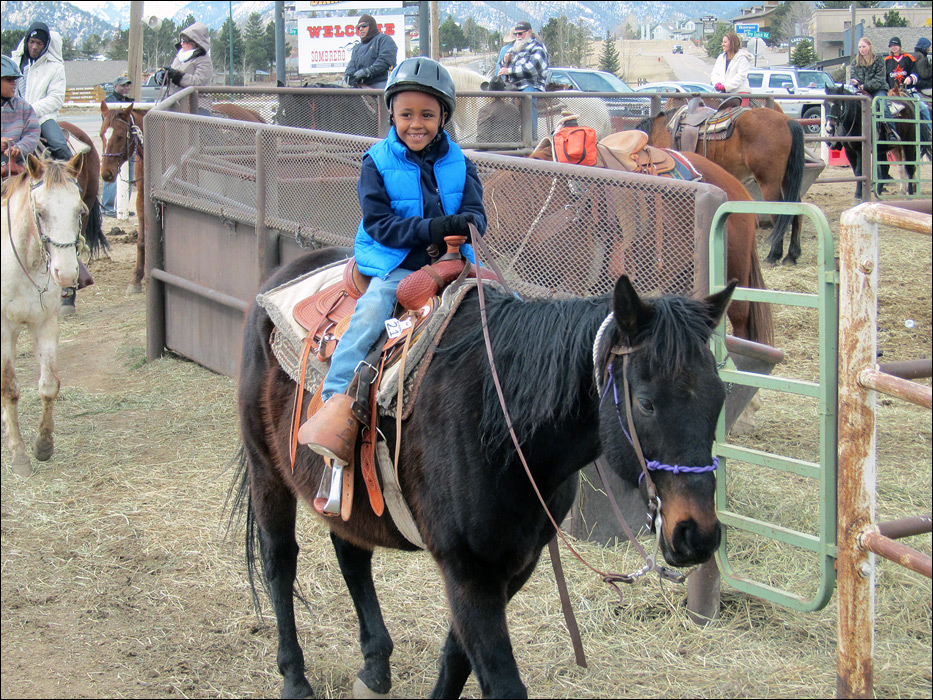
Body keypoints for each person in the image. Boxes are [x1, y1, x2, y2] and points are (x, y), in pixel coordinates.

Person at [299, 57, 487, 457]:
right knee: (371, 313)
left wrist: (466, 226)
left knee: (505, 302)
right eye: (406, 114)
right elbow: (379, 224)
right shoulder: (376, 162)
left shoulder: (462, 163)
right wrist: (434, 228)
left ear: (444, 117)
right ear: (392, 114)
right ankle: (334, 401)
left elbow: (477, 216)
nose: (416, 124)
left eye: (427, 115)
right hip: (397, 261)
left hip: (455, 260)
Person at [11, 21, 69, 160]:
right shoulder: (15, 63)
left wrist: (30, 110)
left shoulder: (55, 67)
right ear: (26, 41)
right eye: (32, 42)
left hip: (42, 117)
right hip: (12, 114)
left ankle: (70, 171)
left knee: (60, 146)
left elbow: (56, 98)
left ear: (46, 45)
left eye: (39, 43)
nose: (35, 47)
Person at [497, 21, 549, 138]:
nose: (518, 36)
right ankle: (509, 137)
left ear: (529, 32)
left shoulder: (538, 47)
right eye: (516, 34)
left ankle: (531, 137)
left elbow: (533, 67)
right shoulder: (514, 48)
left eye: (520, 33)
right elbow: (502, 68)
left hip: (531, 84)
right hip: (514, 85)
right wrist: (505, 61)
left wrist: (509, 70)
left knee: (527, 100)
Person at [849, 37, 900, 142]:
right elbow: (853, 75)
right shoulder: (855, 62)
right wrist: (855, 82)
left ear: (870, 46)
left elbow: (880, 79)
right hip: (862, 91)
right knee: (851, 106)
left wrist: (865, 86)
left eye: (864, 46)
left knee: (882, 106)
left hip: (878, 89)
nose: (862, 49)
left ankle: (891, 131)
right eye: (860, 47)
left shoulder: (879, 59)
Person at [158, 21, 213, 113]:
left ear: (195, 42)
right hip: (175, 103)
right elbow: (173, 77)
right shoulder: (179, 57)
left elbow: (198, 82)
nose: (182, 43)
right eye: (181, 40)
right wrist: (163, 76)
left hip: (197, 106)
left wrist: (177, 77)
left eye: (185, 41)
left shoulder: (204, 59)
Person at [1, 55, 41, 174]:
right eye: (9, 80)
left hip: (19, 166)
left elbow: (32, 133)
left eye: (15, 80)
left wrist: (19, 148)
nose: (14, 84)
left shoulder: (24, 107)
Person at [344, 14, 398, 89]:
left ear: (371, 26)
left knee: (382, 94)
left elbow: (385, 61)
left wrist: (367, 72)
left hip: (380, 82)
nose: (361, 29)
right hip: (360, 85)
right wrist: (349, 75)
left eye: (364, 26)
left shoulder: (383, 39)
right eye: (358, 27)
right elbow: (351, 64)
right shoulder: (357, 48)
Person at [905, 36, 932, 158]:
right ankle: (930, 130)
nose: (929, 49)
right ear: (925, 47)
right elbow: (924, 74)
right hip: (922, 85)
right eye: (928, 47)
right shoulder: (921, 58)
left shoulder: (915, 55)